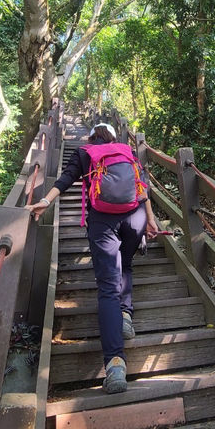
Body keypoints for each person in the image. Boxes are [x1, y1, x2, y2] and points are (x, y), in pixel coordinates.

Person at [27, 122, 159, 393]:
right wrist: (151, 220)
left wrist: (46, 202)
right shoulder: (125, 149)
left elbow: (65, 180)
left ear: (90, 137)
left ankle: (115, 364)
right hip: (135, 216)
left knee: (108, 288)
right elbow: (141, 186)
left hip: (103, 221)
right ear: (113, 136)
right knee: (127, 261)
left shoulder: (84, 152)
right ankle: (125, 314)